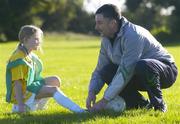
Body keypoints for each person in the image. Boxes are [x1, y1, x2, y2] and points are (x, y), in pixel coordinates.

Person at [86, 4, 178, 112]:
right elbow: (100, 68)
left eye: (100, 23)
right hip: (137, 72)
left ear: (112, 23)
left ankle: (158, 105)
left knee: (143, 65)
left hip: (166, 70)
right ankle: (141, 105)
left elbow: (125, 71)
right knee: (106, 70)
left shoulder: (133, 35)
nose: (96, 27)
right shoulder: (106, 39)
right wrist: (92, 92)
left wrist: (104, 101)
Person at [6, 25, 85, 113]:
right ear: (25, 40)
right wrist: (20, 105)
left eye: (39, 39)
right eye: (36, 39)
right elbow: (17, 84)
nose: (39, 42)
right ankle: (80, 111)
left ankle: (38, 107)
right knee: (54, 89)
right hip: (24, 96)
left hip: (29, 86)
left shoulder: (28, 54)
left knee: (55, 80)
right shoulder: (19, 58)